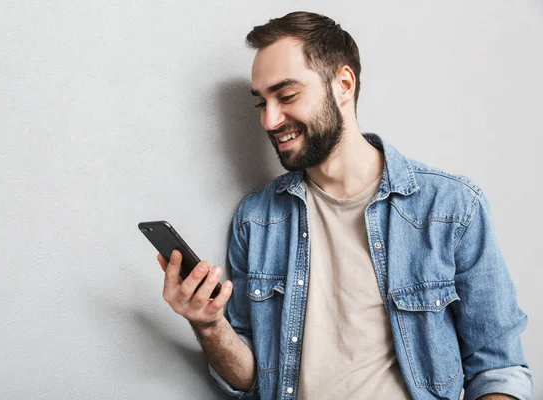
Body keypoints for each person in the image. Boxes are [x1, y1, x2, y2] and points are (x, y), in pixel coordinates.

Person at [156, 11, 533, 400]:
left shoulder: (451, 208)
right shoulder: (256, 221)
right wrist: (209, 325)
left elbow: (498, 369)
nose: (269, 120)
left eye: (286, 96)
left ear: (343, 84)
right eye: (261, 103)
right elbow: (253, 378)